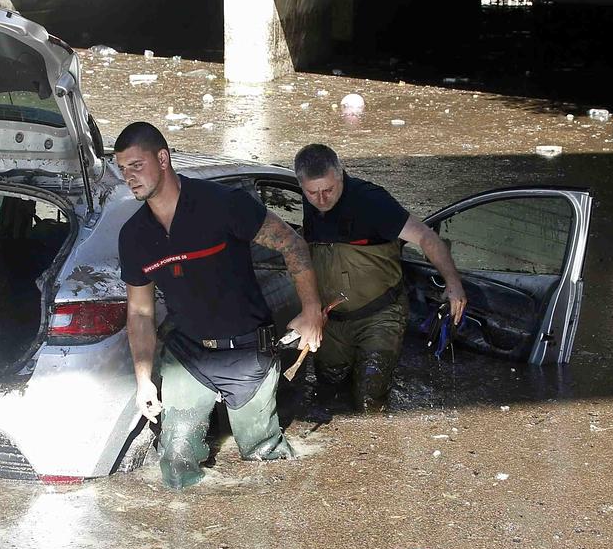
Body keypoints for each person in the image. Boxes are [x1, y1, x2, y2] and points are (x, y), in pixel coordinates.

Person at [116, 122, 325, 490]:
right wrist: (143, 378)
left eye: (136, 165)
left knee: (263, 457)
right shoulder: (134, 236)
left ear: (163, 159)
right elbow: (139, 313)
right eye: (122, 169)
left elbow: (292, 245)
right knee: (176, 464)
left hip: (247, 352)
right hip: (188, 356)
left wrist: (310, 311)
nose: (129, 177)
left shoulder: (223, 204)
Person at [293, 143, 467, 412]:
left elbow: (426, 237)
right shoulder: (311, 199)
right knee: (328, 391)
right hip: (332, 320)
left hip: (380, 315)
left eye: (329, 190)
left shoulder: (372, 201)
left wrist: (453, 284)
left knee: (369, 396)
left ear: (341, 176)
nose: (322, 199)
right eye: (312, 192)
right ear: (302, 185)